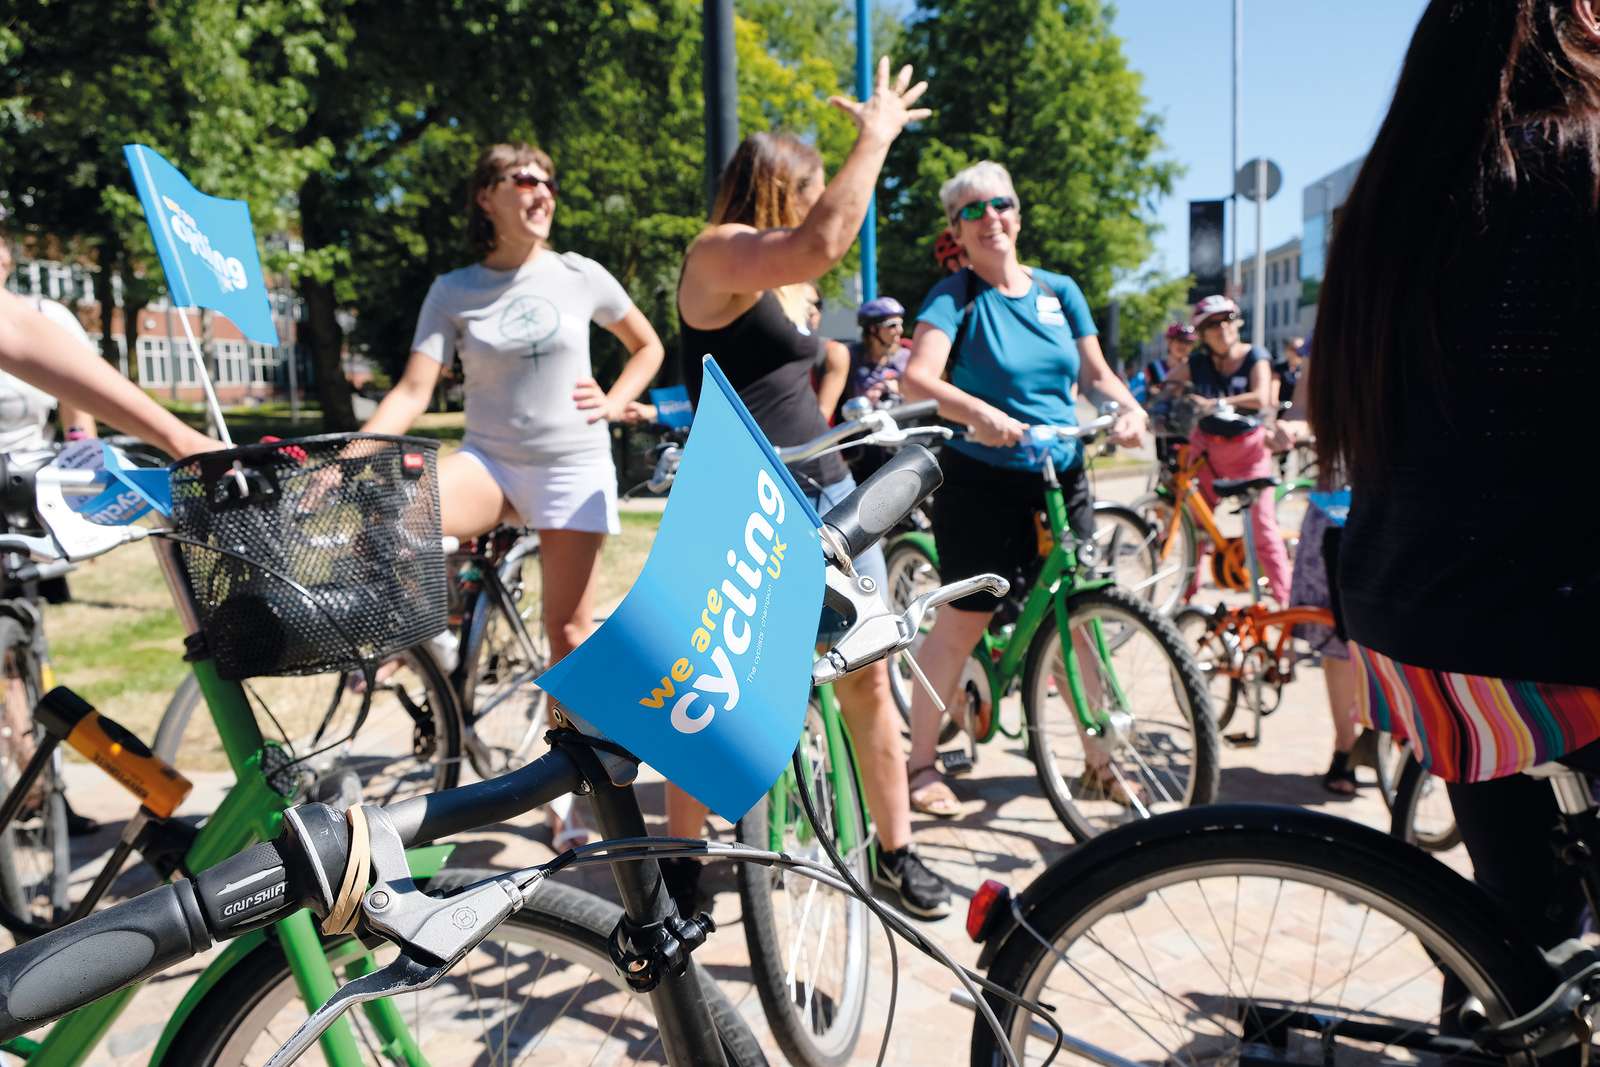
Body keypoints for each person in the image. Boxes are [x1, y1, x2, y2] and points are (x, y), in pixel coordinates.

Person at [1309, 0, 1599, 963]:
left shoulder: (1391, 205)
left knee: (1518, 935)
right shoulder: (1582, 158)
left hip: (1417, 626)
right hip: (1546, 629)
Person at [671, 57, 951, 919]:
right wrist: (876, 138)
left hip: (824, 488)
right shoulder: (716, 256)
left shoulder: (794, 286)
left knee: (867, 676)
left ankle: (897, 853)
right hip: (740, 496)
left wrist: (841, 418)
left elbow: (830, 349)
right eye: (819, 183)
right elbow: (825, 238)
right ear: (784, 187)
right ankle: (680, 872)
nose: (832, 194)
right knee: (713, 689)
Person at [362, 142, 665, 847]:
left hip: (571, 464)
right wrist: (356, 452)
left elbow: (645, 344)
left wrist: (618, 397)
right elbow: (413, 390)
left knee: (568, 635)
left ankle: (576, 806)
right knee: (394, 513)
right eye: (524, 178)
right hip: (493, 461)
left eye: (548, 180)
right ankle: (429, 629)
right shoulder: (454, 289)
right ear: (487, 197)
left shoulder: (579, 274)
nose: (541, 190)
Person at [900, 159, 1147, 815]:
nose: (991, 219)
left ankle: (1102, 762)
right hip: (984, 478)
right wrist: (979, 414)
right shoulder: (954, 295)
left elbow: (1097, 372)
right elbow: (916, 380)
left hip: (1060, 472)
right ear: (956, 228)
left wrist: (1127, 408)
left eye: (1000, 204)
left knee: (1080, 611)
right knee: (963, 620)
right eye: (973, 211)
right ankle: (921, 764)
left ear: (1017, 211)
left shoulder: (1059, 291)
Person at [1162, 294, 1291, 602]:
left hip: (1249, 452)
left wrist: (1218, 403)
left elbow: (1261, 397)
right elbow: (1166, 385)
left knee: (1263, 528)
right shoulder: (1197, 362)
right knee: (1196, 525)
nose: (1223, 329)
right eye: (1213, 325)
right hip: (1206, 451)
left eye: (1228, 321)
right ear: (1203, 334)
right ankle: (1186, 596)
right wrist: (1164, 400)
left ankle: (1286, 601)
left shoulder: (1254, 355)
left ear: (1238, 322)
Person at [0, 238, 99, 449]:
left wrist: (83, 459)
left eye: (1, 245)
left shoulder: (49, 317)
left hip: (27, 473)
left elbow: (77, 406)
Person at [842, 296, 908, 408]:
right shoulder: (851, 358)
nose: (900, 330)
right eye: (892, 325)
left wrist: (897, 387)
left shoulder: (906, 357)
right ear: (873, 329)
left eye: (900, 323)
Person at [803, 283, 850, 419]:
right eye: (804, 305)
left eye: (817, 305)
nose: (813, 312)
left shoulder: (833, 352)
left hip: (815, 438)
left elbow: (822, 415)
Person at [1271, 335, 1304, 411]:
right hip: (1283, 409)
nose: (1298, 353)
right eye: (1295, 349)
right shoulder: (1279, 368)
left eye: (1302, 350)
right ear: (1287, 350)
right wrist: (1274, 401)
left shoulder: (1306, 370)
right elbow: (1274, 387)